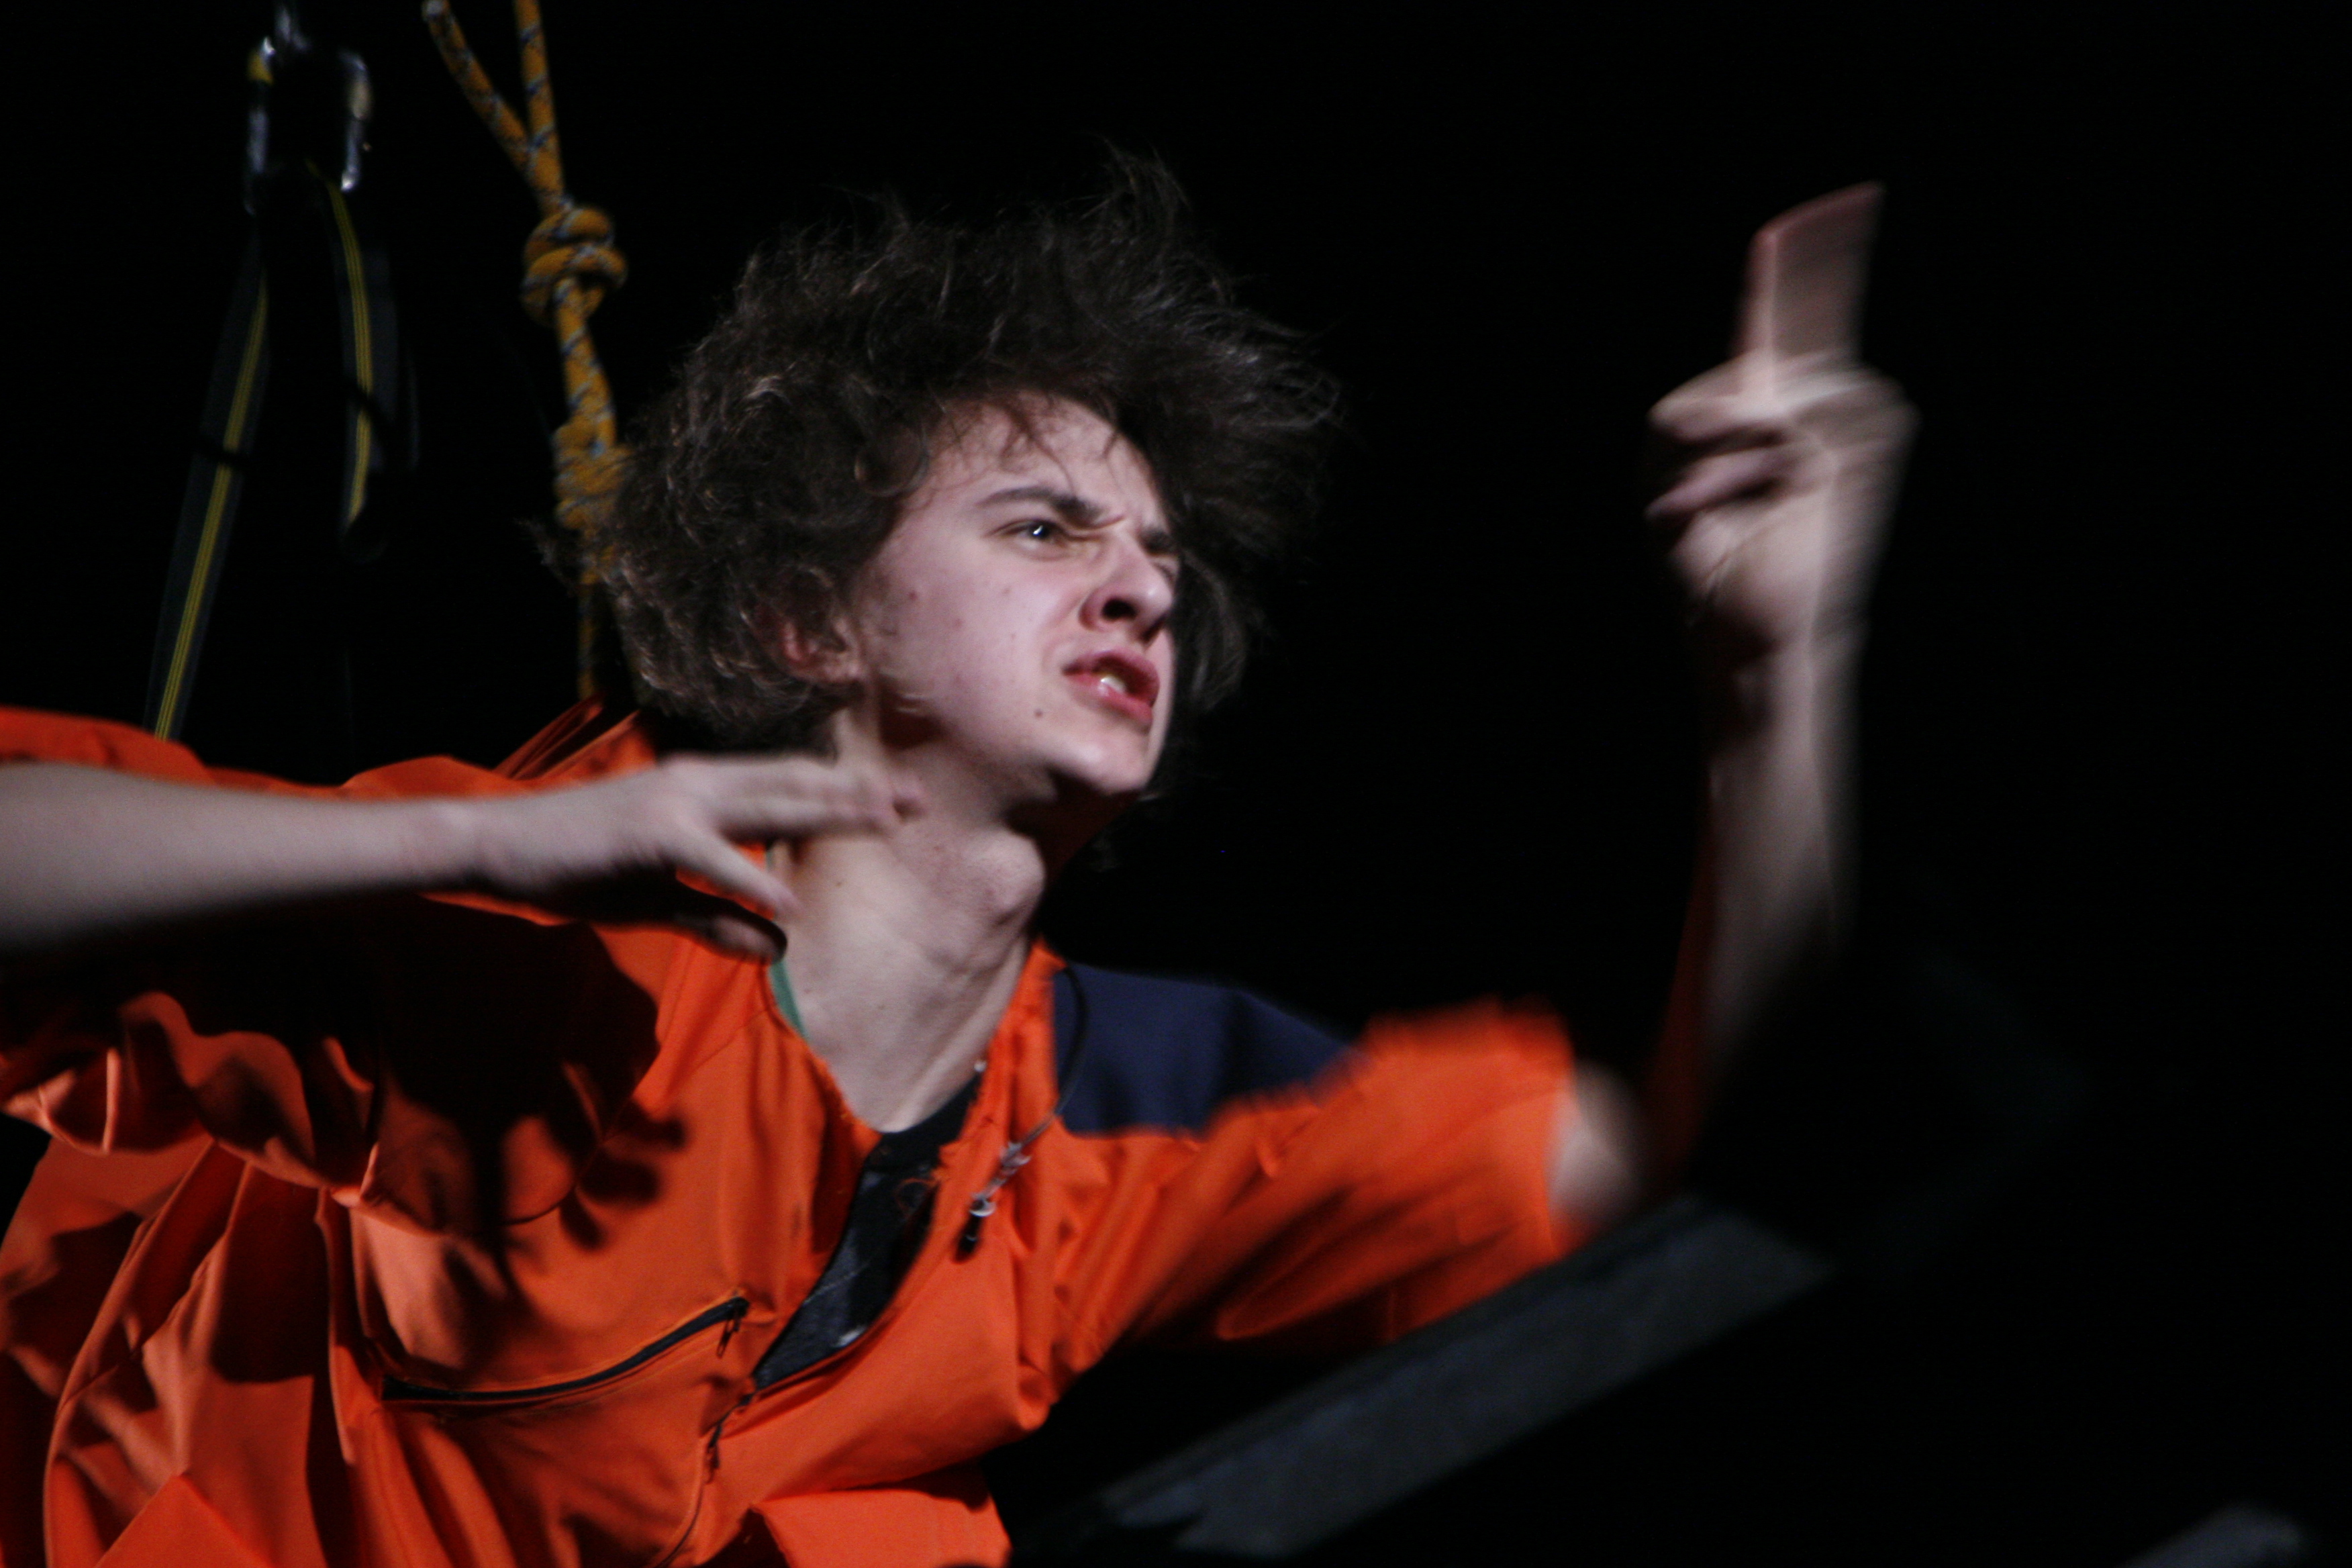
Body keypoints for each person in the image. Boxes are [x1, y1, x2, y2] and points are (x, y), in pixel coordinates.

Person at [0, 166, 1910, 1567]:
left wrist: (1779, 678)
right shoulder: (567, 959)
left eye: (1159, 557)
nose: (1140, 586)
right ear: (809, 620)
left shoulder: (1125, 1113)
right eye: (1044, 526)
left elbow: (1683, 1172)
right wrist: (475, 836)